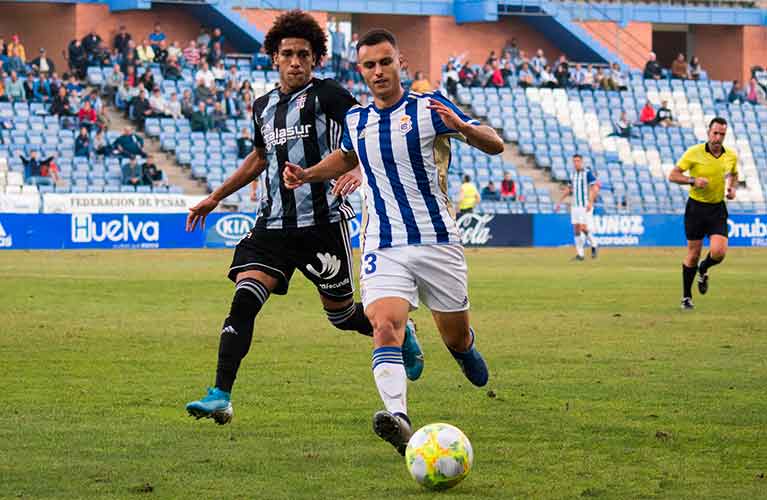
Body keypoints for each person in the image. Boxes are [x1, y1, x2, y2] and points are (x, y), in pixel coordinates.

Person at [183, 11, 425, 426]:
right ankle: (220, 394)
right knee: (243, 301)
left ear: (315, 60)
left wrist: (354, 169)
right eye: (288, 54)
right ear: (274, 58)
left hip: (322, 226)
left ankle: (403, 333)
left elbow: (367, 131)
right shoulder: (262, 107)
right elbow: (260, 158)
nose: (295, 62)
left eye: (304, 55)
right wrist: (215, 197)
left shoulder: (328, 95)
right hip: (272, 227)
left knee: (343, 316)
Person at [283, 28, 503, 456]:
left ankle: (464, 348)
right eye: (369, 65)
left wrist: (461, 127)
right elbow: (346, 157)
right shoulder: (356, 120)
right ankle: (398, 417)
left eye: (385, 62)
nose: (378, 71)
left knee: (454, 337)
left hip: (437, 241)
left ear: (399, 63)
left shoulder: (430, 107)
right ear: (360, 71)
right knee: (384, 327)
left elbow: (494, 143)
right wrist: (308, 174)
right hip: (383, 243)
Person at [668, 118, 737, 310]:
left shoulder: (730, 156)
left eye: (722, 134)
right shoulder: (694, 153)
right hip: (696, 209)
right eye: (715, 133)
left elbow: (734, 174)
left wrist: (732, 188)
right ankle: (686, 296)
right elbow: (672, 175)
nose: (718, 137)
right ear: (708, 132)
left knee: (719, 252)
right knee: (693, 254)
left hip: (717, 209)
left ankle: (704, 268)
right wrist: (692, 180)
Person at [554, 154, 600, 260]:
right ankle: (580, 254)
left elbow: (595, 188)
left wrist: (590, 202)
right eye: (574, 161)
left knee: (583, 227)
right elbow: (569, 189)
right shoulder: (572, 174)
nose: (576, 163)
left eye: (578, 161)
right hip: (575, 205)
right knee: (576, 229)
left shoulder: (587, 173)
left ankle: (594, 244)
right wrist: (559, 202)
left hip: (585, 205)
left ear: (582, 162)